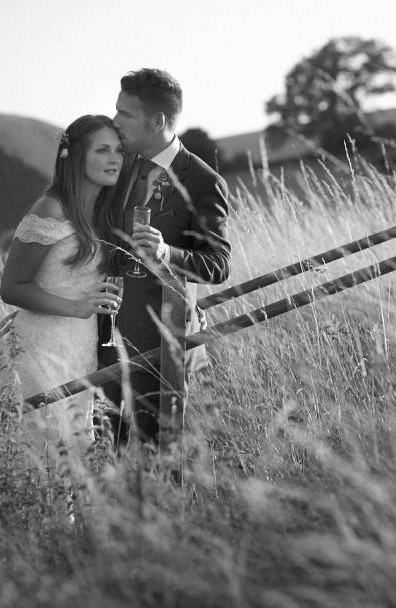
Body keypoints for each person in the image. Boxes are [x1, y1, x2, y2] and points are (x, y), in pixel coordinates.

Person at [99, 68, 231, 442]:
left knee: (159, 460)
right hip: (105, 343)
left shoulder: (203, 182)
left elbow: (218, 265)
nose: (114, 121)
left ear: (157, 120)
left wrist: (167, 252)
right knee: (107, 460)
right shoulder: (119, 164)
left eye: (125, 114)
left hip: (162, 350)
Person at [0, 114, 123, 455]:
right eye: (102, 150)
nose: (114, 159)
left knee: (70, 463)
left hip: (80, 351)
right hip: (40, 353)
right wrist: (76, 307)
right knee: (39, 458)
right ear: (75, 158)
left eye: (118, 150)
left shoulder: (102, 213)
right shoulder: (51, 209)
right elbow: (12, 287)